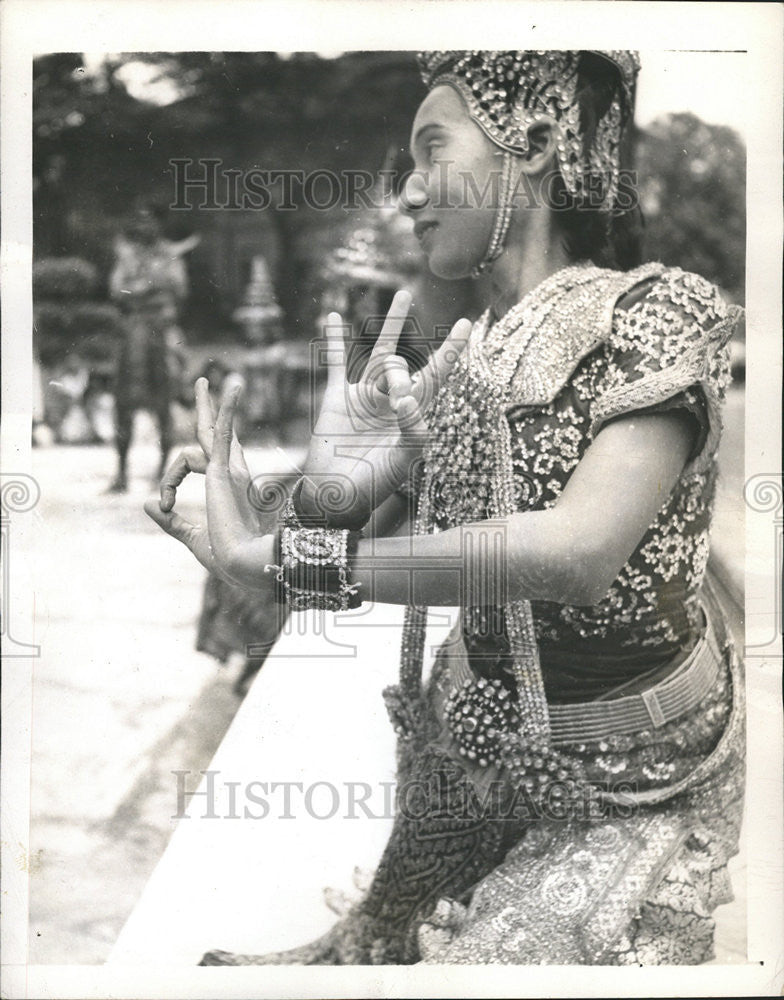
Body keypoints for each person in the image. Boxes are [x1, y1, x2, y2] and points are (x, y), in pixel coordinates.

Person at [146, 51, 745, 965]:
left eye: (433, 153)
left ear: (537, 144)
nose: (409, 193)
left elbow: (575, 553)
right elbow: (329, 537)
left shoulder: (660, 311)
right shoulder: (461, 359)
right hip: (471, 745)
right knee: (370, 951)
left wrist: (300, 559)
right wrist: (308, 494)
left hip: (640, 780)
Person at [107, 203, 197, 492]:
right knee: (120, 395)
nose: (145, 226)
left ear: (159, 225)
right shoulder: (128, 254)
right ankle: (121, 473)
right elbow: (116, 288)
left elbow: (180, 290)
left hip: (161, 326)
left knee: (173, 369)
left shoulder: (169, 253)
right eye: (140, 220)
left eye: (150, 220)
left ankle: (162, 470)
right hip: (133, 326)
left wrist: (148, 287)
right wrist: (146, 288)